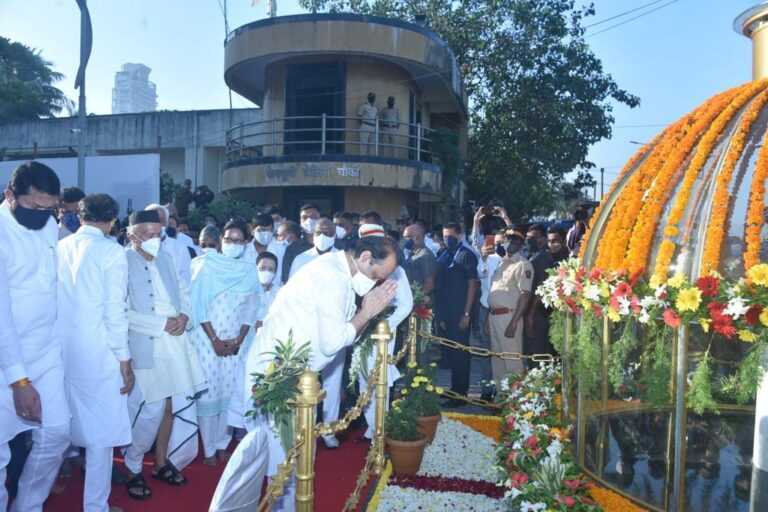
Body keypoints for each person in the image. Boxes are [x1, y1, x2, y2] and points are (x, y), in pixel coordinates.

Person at [210, 237, 399, 512]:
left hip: (294, 373)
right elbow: (333, 341)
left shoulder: (338, 270)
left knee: (293, 457)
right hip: (277, 374)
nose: (375, 284)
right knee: (285, 460)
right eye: (376, 276)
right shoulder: (332, 277)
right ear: (366, 257)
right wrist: (367, 313)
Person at [57, 193, 134, 512]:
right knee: (101, 434)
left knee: (61, 423)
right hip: (100, 351)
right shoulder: (111, 252)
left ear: (81, 215)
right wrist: (124, 358)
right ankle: (95, 506)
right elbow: (114, 311)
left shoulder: (61, 247)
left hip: (62, 349)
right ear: (112, 220)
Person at [0, 161, 70, 512]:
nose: (43, 215)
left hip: (45, 355)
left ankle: (26, 506)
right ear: (10, 195)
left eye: (50, 208)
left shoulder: (46, 225)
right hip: (6, 365)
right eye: (35, 206)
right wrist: (19, 381)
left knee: (57, 433)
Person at [122, 210, 206, 500]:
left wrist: (184, 316)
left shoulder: (167, 259)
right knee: (148, 408)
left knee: (172, 406)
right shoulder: (121, 261)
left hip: (176, 344)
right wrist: (160, 324)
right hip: (145, 344)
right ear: (132, 234)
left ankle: (160, 462)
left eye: (159, 234)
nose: (155, 240)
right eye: (149, 235)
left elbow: (184, 294)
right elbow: (119, 310)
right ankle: (132, 466)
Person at [190, 218, 259, 466]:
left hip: (235, 342)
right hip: (207, 339)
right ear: (220, 240)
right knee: (210, 393)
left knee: (229, 393)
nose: (232, 244)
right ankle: (208, 449)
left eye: (238, 241)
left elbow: (251, 309)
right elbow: (198, 307)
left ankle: (222, 444)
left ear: (246, 243)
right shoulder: (205, 266)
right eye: (228, 239)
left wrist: (239, 340)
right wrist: (215, 340)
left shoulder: (250, 271)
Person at [357, 224, 413, 442]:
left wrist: (386, 325)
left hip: (381, 332)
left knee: (380, 377)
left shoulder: (396, 270)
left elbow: (406, 304)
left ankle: (380, 426)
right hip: (359, 329)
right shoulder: (358, 267)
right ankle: (371, 425)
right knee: (362, 376)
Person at [434, 222, 479, 403]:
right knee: (451, 354)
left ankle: (461, 394)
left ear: (459, 236)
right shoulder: (444, 255)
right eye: (445, 236)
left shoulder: (466, 256)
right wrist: (442, 315)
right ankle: (453, 389)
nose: (447, 240)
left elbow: (472, 285)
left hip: (461, 312)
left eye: (451, 237)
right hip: (446, 312)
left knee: (461, 354)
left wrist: (466, 314)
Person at [486, 233, 532, 384]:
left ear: (520, 244)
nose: (511, 243)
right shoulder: (501, 263)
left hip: (509, 317)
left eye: (515, 240)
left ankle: (515, 403)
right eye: (508, 239)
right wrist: (489, 317)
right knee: (497, 361)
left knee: (512, 361)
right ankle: (501, 400)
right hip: (494, 316)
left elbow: (525, 296)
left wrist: (514, 323)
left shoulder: (522, 264)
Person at [524, 224, 556, 361]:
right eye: (528, 237)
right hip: (530, 311)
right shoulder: (532, 255)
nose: (529, 241)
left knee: (538, 354)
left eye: (533, 238)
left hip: (538, 313)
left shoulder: (542, 258)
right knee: (530, 353)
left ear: (543, 239)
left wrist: (530, 315)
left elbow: (541, 288)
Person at [145, 203, 193, 289]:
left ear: (166, 223)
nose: (156, 224)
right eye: (152, 219)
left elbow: (186, 280)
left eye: (160, 220)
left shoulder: (179, 248)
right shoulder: (137, 246)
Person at [245, 214, 285, 279]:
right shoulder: (244, 250)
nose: (266, 234)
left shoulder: (281, 249)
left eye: (269, 230)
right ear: (252, 230)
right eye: (262, 230)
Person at [402, 223, 437, 296]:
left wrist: (416, 301)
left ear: (416, 237)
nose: (404, 240)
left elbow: (429, 284)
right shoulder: (412, 254)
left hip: (421, 304)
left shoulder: (425, 255)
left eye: (406, 237)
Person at [279, 220, 311, 285]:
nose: (278, 238)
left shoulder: (290, 249)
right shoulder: (311, 247)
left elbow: (286, 275)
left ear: (291, 235)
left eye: (280, 235)